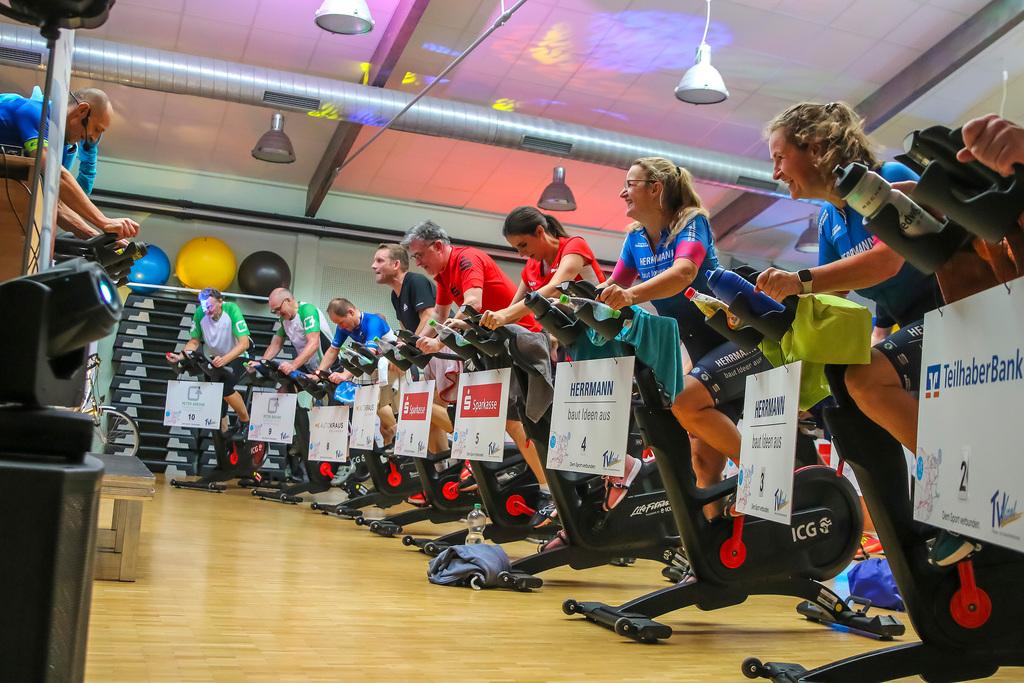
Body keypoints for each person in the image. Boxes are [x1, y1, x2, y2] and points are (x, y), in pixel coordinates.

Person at [755, 102, 963, 562]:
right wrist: (766, 313)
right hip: (919, 323)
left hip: (959, 311)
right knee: (846, 391)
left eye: (780, 157)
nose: (775, 172)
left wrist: (798, 281)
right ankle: (923, 508)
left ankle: (959, 487)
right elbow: (832, 296)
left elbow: (887, 261)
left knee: (867, 379)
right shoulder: (831, 219)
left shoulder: (886, 177)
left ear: (814, 147)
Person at [597, 157, 770, 515]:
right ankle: (714, 543)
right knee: (704, 463)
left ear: (655, 188)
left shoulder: (692, 222)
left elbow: (684, 273)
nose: (622, 193)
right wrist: (579, 302)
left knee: (684, 400)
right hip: (704, 352)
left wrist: (629, 296)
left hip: (739, 340)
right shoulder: (635, 239)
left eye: (629, 184)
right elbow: (613, 286)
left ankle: (762, 477)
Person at [402, 220, 555, 527]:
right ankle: (482, 473)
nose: (417, 262)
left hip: (522, 340)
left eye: (419, 255)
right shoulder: (443, 274)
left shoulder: (466, 258)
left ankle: (548, 491)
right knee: (482, 414)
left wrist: (441, 338)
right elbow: (439, 315)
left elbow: (473, 303)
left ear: (437, 246)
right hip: (493, 345)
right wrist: (418, 343)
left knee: (518, 421)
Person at [0, 88, 138, 239]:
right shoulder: (34, 112)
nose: (93, 139)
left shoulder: (62, 147)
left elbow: (56, 206)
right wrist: (103, 221)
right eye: (97, 129)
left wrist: (100, 240)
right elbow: (56, 175)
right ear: (82, 110)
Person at [166, 288, 251, 437]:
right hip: (215, 359)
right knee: (215, 393)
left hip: (237, 356)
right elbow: (194, 341)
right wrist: (180, 356)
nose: (207, 311)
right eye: (205, 307)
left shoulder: (231, 309)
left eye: (210, 307)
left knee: (225, 387)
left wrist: (225, 359)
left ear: (220, 302)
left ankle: (245, 422)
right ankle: (223, 432)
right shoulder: (200, 313)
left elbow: (244, 344)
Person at [315, 298, 399, 445]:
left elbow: (368, 355)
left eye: (341, 322)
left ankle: (401, 437)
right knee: (383, 427)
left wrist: (345, 375)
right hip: (377, 368)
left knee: (380, 407)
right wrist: (318, 373)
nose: (340, 327)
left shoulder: (373, 322)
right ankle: (391, 453)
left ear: (351, 312)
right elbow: (333, 350)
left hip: (395, 367)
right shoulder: (344, 327)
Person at [259, 288, 332, 374]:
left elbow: (313, 343)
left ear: (287, 301)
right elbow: (276, 344)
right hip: (310, 367)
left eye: (278, 309)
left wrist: (293, 365)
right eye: (274, 311)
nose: (278, 314)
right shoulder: (284, 319)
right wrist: (261, 362)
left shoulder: (307, 310)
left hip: (329, 367)